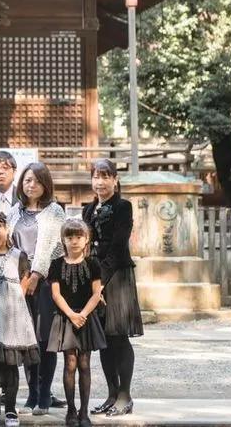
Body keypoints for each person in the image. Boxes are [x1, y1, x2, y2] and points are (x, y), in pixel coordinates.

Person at [82, 159, 143, 417]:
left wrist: (101, 282)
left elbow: (119, 247)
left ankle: (125, 396)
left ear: (115, 179)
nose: (101, 181)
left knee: (118, 336)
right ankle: (110, 393)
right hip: (95, 276)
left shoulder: (122, 207)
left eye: (106, 176)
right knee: (103, 340)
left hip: (116, 276)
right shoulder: (88, 209)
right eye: (97, 176)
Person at [6, 162, 66, 416]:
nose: (32, 185)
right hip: (17, 280)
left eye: (37, 181)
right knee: (25, 339)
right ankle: (31, 392)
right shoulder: (14, 212)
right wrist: (19, 276)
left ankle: (44, 394)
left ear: (46, 185)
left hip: (44, 281)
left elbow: (52, 247)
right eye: (28, 180)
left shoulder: (54, 211)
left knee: (44, 339)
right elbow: (8, 246)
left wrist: (36, 275)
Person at [0, 211, 40, 427]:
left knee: (11, 365)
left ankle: (11, 410)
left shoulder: (18, 255)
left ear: (6, 228)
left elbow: (23, 285)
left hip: (12, 317)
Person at [47, 219, 106, 427]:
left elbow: (96, 293)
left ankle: (84, 410)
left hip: (86, 318)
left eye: (78, 237)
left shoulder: (93, 263)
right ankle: (71, 409)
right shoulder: (56, 264)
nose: (74, 241)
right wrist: (72, 315)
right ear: (63, 239)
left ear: (86, 238)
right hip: (66, 317)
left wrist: (84, 314)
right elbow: (56, 294)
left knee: (84, 364)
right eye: (70, 237)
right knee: (70, 363)